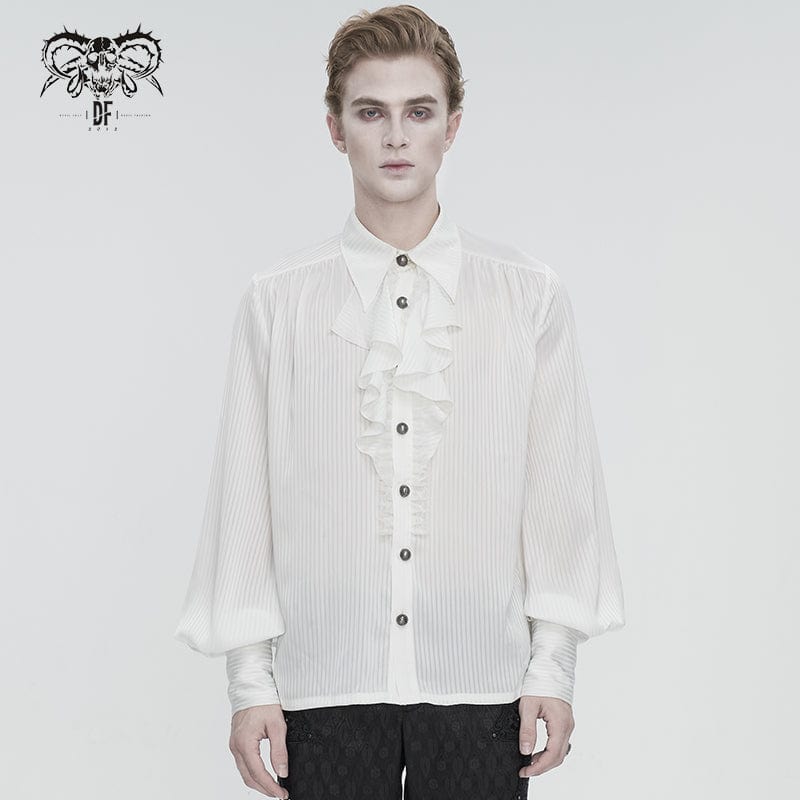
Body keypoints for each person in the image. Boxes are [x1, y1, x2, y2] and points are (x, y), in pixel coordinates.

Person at [173, 5, 625, 799]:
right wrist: (250, 684)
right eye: (370, 112)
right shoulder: (276, 300)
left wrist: (552, 667)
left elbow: (560, 495)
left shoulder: (528, 296)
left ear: (452, 127)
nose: (395, 137)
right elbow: (244, 496)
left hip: (483, 686)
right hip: (325, 686)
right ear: (335, 128)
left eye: (418, 112)